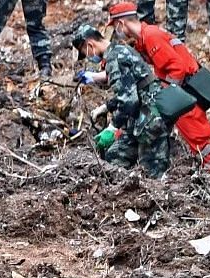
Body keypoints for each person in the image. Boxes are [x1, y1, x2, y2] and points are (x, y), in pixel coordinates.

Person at [105, 3, 210, 196]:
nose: (117, 32)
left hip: (184, 94)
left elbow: (177, 68)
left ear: (121, 23)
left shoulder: (151, 37)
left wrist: (168, 95)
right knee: (197, 142)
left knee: (199, 142)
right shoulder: (146, 38)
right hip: (184, 92)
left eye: (115, 26)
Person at [68, 23, 169, 176]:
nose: (89, 57)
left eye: (86, 52)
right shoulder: (121, 50)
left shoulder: (115, 58)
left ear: (90, 45)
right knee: (114, 157)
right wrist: (107, 107)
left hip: (150, 120)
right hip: (139, 118)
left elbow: (129, 100)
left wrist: (113, 127)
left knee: (152, 172)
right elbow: (129, 89)